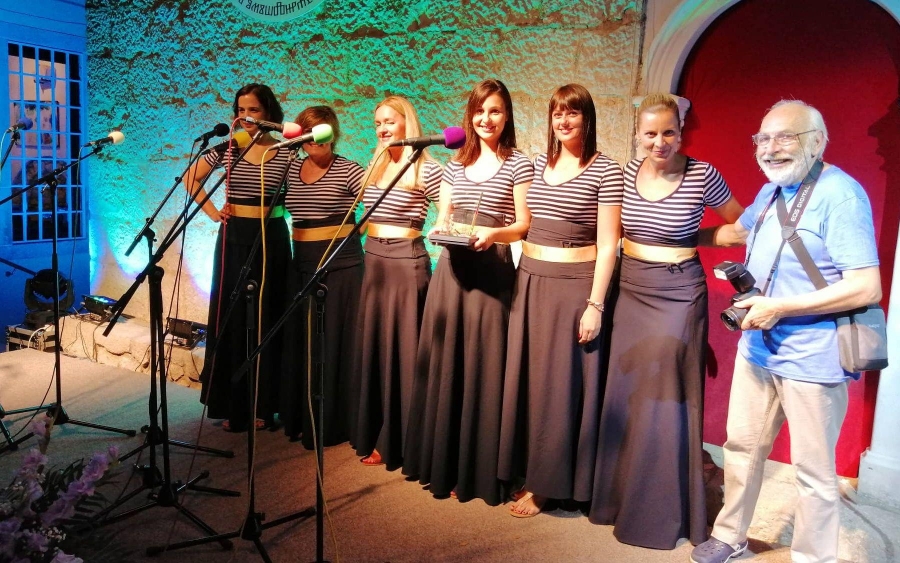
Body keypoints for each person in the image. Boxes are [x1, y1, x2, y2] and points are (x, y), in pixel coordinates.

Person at [691, 100, 882, 563]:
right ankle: (731, 536)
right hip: (757, 348)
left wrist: (779, 306)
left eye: (784, 137)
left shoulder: (842, 196)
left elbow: (866, 286)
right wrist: (673, 234)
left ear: (817, 142)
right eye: (762, 138)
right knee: (741, 448)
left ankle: (814, 557)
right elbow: (738, 232)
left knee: (813, 471)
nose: (769, 148)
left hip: (813, 357)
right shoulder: (771, 190)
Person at [588, 93, 743, 548]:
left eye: (669, 133)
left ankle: (660, 507)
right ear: (638, 134)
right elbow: (611, 234)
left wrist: (693, 236)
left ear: (681, 132)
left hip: (678, 294)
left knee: (665, 398)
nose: (660, 142)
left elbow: (740, 224)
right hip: (632, 290)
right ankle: (619, 498)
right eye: (651, 134)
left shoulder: (702, 174)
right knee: (629, 393)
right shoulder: (624, 173)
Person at [402, 79, 533, 506]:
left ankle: (477, 471)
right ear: (469, 115)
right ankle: (443, 463)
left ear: (506, 116)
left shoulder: (519, 163)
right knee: (448, 365)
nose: (486, 119)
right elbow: (443, 216)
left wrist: (493, 234)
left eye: (495, 111)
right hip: (451, 272)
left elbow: (523, 225)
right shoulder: (454, 164)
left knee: (482, 367)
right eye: (479, 110)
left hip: (491, 274)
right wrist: (438, 230)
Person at [497, 84, 623, 517]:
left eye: (573, 113)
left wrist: (595, 305)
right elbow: (523, 222)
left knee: (558, 387)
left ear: (587, 118)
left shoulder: (606, 170)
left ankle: (548, 484)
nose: (564, 121)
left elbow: (608, 245)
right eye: (557, 114)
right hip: (531, 280)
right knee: (530, 381)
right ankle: (526, 467)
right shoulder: (538, 163)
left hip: (573, 287)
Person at [190, 83, 292, 433]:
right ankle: (233, 404)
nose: (246, 116)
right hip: (234, 238)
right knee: (232, 316)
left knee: (267, 315)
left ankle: (264, 405)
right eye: (241, 110)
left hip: (272, 238)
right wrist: (213, 213)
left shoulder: (286, 151)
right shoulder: (228, 148)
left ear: (269, 113)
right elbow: (190, 179)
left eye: (254, 110)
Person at [353, 96, 443, 468]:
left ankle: (404, 442)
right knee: (376, 351)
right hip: (374, 262)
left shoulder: (427, 168)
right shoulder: (375, 165)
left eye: (390, 121)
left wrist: (443, 229)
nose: (383, 129)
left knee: (405, 357)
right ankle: (375, 432)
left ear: (408, 123)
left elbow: (450, 211)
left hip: (407, 264)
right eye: (378, 123)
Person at [280, 105, 366, 450]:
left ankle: (333, 423)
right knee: (305, 343)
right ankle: (304, 416)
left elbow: (379, 202)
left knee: (333, 344)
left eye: (322, 131)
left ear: (333, 134)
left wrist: (358, 234)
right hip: (301, 264)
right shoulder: (290, 168)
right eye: (309, 131)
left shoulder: (349, 170)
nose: (315, 138)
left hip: (341, 268)